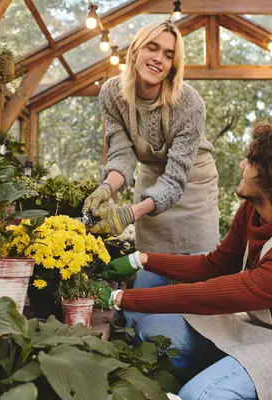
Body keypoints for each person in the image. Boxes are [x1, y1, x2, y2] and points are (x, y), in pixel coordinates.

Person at [98, 124, 272, 400]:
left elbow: (210, 297)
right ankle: (238, 382)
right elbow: (214, 265)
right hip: (261, 328)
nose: (243, 164)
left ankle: (232, 386)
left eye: (251, 161)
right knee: (152, 331)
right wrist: (142, 259)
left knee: (201, 395)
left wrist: (120, 298)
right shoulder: (253, 211)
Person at [83, 20, 219, 256]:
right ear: (135, 50)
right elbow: (122, 153)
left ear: (172, 67)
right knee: (150, 268)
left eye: (168, 55)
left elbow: (176, 179)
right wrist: (105, 188)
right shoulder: (111, 93)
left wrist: (129, 214)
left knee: (196, 275)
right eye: (152, 48)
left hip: (193, 185)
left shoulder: (189, 103)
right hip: (150, 181)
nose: (158, 58)